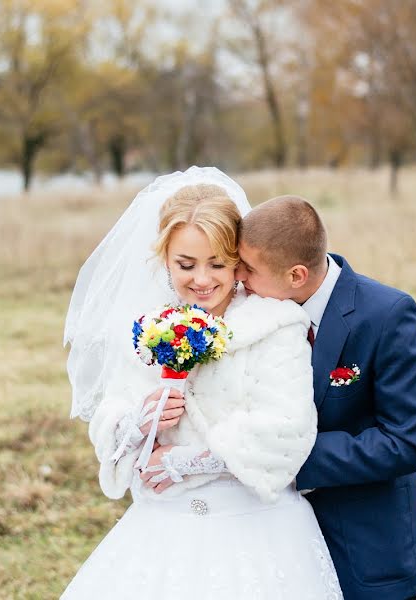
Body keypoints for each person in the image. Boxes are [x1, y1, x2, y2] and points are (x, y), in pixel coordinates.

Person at [61, 168, 343, 599]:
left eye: (218, 263)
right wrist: (137, 423)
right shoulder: (151, 328)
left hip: (256, 525)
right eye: (185, 264)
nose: (202, 279)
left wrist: (186, 461)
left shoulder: (275, 325)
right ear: (165, 259)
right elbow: (112, 410)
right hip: (164, 524)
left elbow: (287, 428)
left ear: (238, 261)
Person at [236, 196, 416, 600]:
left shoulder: (387, 315)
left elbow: (405, 441)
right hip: (277, 546)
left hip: (366, 546)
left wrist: (289, 459)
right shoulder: (249, 314)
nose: (238, 277)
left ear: (295, 275)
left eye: (249, 268)